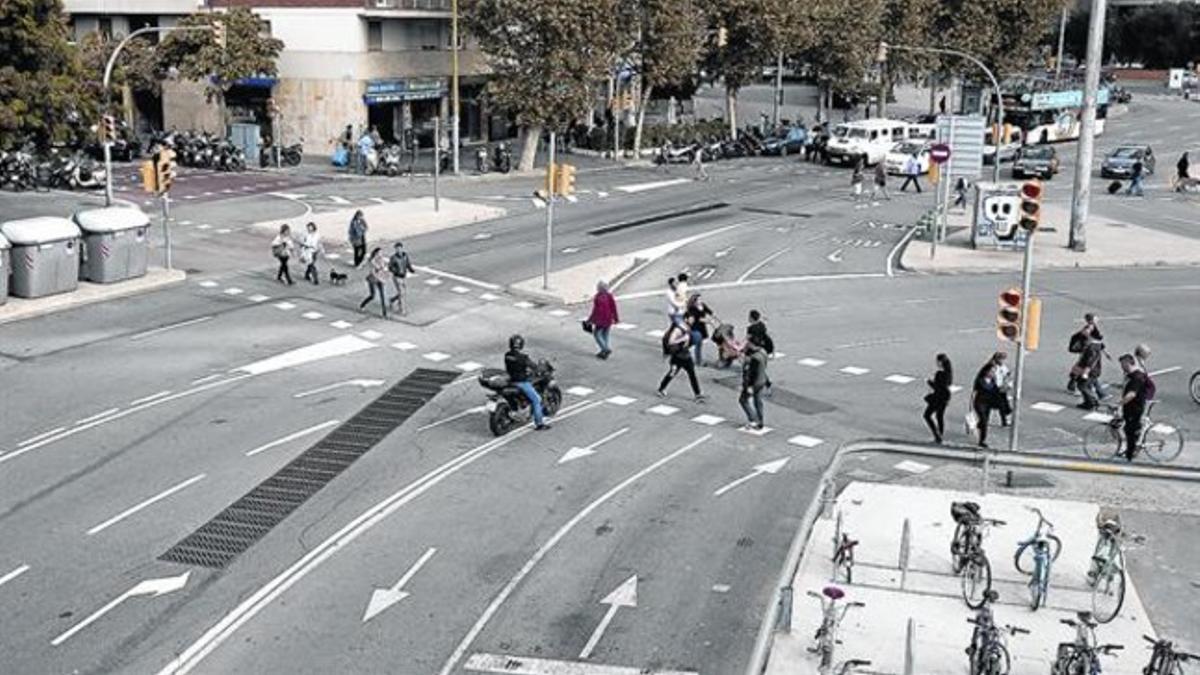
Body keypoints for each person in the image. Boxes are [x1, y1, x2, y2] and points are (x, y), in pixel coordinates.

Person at [505, 334, 550, 430]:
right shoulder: (523, 357)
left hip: (510, 380)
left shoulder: (507, 355)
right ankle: (539, 424)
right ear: (521, 345)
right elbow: (534, 367)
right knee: (537, 399)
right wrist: (540, 369)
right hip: (521, 383)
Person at [657, 316, 705, 402]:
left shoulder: (688, 328)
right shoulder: (678, 329)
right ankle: (661, 389)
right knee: (672, 373)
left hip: (686, 356)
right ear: (686, 319)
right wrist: (682, 339)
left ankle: (698, 394)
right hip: (677, 356)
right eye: (690, 318)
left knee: (692, 375)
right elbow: (671, 341)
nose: (692, 320)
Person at [1118, 354, 1149, 461]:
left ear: (1127, 363)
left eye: (1122, 365)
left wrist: (1120, 404)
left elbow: (1131, 394)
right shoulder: (1133, 375)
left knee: (1131, 432)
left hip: (1134, 408)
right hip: (1131, 408)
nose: (1121, 367)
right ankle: (1130, 450)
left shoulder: (1136, 378)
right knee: (1128, 429)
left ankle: (1129, 456)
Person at [1067, 313, 1103, 392]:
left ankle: (1073, 384)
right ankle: (1080, 386)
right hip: (1089, 349)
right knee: (1085, 367)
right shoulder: (1090, 327)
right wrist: (1091, 340)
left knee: (1080, 367)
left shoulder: (1091, 327)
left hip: (1088, 349)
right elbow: (1086, 333)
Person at [739, 340, 769, 430]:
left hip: (755, 383)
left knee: (743, 400)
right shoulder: (763, 352)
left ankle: (753, 419)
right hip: (762, 380)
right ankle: (760, 421)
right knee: (758, 402)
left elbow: (751, 374)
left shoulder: (753, 359)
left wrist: (748, 387)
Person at [970, 358, 1001, 448]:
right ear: (986, 371)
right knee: (984, 421)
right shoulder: (980, 380)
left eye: (994, 371)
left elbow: (996, 391)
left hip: (988, 403)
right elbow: (975, 391)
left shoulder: (993, 381)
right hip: (979, 403)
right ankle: (982, 440)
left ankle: (979, 427)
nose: (993, 373)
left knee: (984, 421)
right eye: (991, 371)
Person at [923, 354, 953, 443]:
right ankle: (939, 435)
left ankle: (937, 435)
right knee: (939, 416)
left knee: (927, 415)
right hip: (945, 397)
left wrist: (929, 382)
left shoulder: (940, 374)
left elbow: (937, 387)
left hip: (938, 396)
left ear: (940, 362)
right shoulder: (949, 373)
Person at [587, 280, 619, 359]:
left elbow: (595, 311)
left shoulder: (597, 297)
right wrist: (616, 318)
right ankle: (604, 352)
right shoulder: (609, 295)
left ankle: (605, 349)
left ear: (599, 288)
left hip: (601, 320)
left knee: (596, 334)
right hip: (608, 319)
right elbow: (613, 307)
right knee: (605, 335)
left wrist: (590, 320)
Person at [746, 309, 775, 393]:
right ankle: (766, 384)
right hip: (763, 350)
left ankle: (752, 386)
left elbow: (748, 341)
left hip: (754, 351)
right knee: (760, 368)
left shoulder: (750, 328)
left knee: (753, 368)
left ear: (751, 318)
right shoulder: (762, 325)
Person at [1075, 335, 1106, 410]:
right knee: (1086, 385)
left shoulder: (1091, 348)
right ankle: (1088, 402)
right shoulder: (1096, 346)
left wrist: (1085, 373)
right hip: (1093, 371)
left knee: (1082, 386)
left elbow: (1090, 362)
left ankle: (1092, 401)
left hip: (1090, 372)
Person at [358, 247, 390, 318]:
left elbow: (384, 269)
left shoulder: (382, 260)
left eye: (382, 253)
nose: (381, 254)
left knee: (382, 296)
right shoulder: (372, 262)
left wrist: (385, 275)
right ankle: (362, 305)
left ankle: (384, 313)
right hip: (373, 279)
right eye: (380, 253)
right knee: (372, 295)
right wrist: (381, 279)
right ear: (376, 253)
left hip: (380, 279)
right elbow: (373, 273)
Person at [387, 241, 416, 315]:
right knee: (401, 293)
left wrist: (411, 270)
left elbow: (408, 264)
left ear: (402, 248)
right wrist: (395, 270)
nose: (398, 250)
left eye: (399, 248)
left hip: (403, 276)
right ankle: (402, 310)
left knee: (402, 293)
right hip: (397, 277)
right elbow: (390, 267)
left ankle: (392, 300)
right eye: (397, 249)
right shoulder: (393, 258)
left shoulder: (405, 255)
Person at [685, 293, 714, 366]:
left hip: (701, 328)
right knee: (698, 343)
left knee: (696, 343)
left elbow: (709, 312)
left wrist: (713, 316)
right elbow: (697, 319)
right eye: (699, 299)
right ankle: (698, 361)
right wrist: (708, 321)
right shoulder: (692, 308)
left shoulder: (702, 305)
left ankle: (684, 350)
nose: (700, 300)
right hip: (695, 328)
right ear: (695, 301)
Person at [991, 351, 1013, 426]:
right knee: (1001, 405)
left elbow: (1007, 373)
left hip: (1001, 389)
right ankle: (1004, 421)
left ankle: (1006, 418)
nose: (1003, 361)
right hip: (995, 389)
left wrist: (1007, 382)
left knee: (1005, 404)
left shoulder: (1002, 366)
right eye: (1001, 359)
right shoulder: (993, 367)